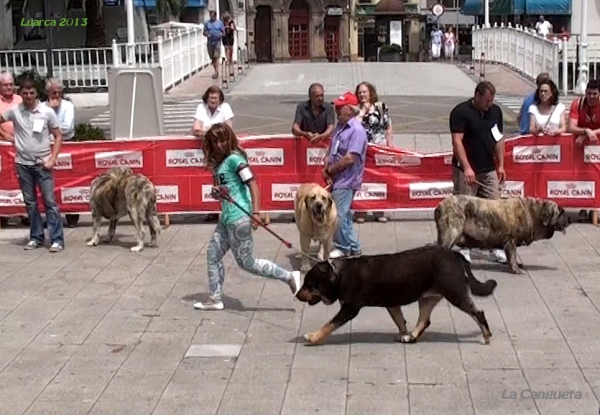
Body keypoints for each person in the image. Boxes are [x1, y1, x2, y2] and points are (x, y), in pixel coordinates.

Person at [193, 123, 301, 311]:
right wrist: (218, 193)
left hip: (239, 217)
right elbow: (229, 188)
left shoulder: (235, 159)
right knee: (212, 255)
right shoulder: (219, 163)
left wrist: (256, 212)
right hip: (227, 217)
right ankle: (216, 298)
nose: (219, 145)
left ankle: (289, 276)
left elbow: (253, 185)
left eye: (223, 140)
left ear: (230, 139)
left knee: (247, 263)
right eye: (215, 141)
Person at [0, 76, 65, 252]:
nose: (28, 96)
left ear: (37, 93)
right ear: (19, 93)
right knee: (30, 203)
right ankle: (36, 236)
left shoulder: (46, 112)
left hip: (42, 163)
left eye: (31, 92)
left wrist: (53, 158)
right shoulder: (15, 111)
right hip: (23, 164)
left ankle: (57, 238)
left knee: (49, 202)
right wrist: (7, 137)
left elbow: (58, 136)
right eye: (25, 93)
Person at [449, 81, 507, 264]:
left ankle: (495, 247)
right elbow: (457, 141)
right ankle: (463, 247)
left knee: (495, 209)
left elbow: (498, 139)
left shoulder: (495, 113)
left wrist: (501, 165)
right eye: (486, 101)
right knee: (465, 210)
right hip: (466, 169)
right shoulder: (461, 112)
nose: (489, 104)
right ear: (477, 95)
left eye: (491, 101)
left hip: (488, 168)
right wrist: (466, 167)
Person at [323, 91, 368, 259]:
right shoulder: (340, 127)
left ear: (349, 109)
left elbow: (350, 158)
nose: (336, 109)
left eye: (340, 107)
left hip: (347, 180)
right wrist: (326, 164)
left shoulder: (356, 130)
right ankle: (354, 248)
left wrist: (331, 170)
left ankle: (343, 248)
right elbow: (331, 149)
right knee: (345, 215)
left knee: (338, 215)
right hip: (337, 178)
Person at [42, 77, 79, 228]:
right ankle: (50, 215)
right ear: (47, 93)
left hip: (67, 144)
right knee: (49, 182)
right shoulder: (42, 107)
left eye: (59, 92)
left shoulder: (68, 106)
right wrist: (50, 111)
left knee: (71, 181)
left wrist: (51, 129)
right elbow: (38, 129)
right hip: (47, 146)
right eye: (53, 93)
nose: (56, 96)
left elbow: (67, 128)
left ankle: (72, 215)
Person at [354, 81, 393, 224]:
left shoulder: (381, 107)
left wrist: (390, 145)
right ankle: (361, 212)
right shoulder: (354, 109)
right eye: (359, 92)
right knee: (362, 180)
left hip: (378, 148)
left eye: (364, 92)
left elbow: (388, 126)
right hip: (360, 150)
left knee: (379, 180)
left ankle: (379, 210)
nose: (362, 94)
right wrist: (362, 111)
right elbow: (353, 126)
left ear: (371, 92)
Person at [0, 72, 24, 228]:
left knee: (21, 180)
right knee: (3, 182)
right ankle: (3, 215)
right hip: (2, 146)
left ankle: (23, 212)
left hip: (20, 145)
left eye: (11, 84)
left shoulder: (20, 100)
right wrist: (6, 136)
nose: (9, 87)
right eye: (5, 85)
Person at [568, 79, 600, 146]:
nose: (591, 96)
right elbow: (571, 127)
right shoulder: (577, 104)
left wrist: (587, 134)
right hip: (580, 144)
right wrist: (586, 131)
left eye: (595, 94)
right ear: (585, 92)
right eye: (589, 93)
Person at [203, 10, 225, 80]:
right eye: (210, 16)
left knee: (216, 56)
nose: (212, 17)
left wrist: (220, 34)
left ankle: (216, 72)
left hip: (217, 42)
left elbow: (223, 33)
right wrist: (207, 34)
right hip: (210, 42)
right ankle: (216, 70)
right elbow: (204, 32)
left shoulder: (220, 23)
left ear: (215, 16)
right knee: (212, 58)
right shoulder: (207, 23)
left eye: (213, 16)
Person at [222, 12, 236, 79]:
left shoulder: (231, 22)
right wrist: (225, 28)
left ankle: (230, 59)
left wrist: (230, 27)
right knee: (226, 47)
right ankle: (228, 59)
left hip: (230, 37)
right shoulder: (222, 23)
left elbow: (233, 29)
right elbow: (221, 29)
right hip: (225, 37)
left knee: (230, 48)